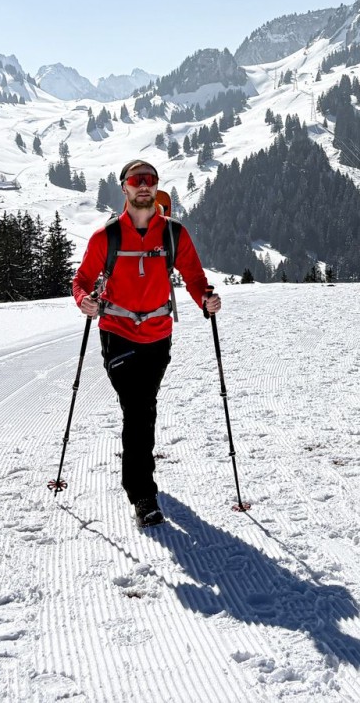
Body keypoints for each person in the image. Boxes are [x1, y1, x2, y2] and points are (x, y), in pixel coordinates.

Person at [73, 158, 221, 525]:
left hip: (158, 335)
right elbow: (82, 280)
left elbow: (194, 276)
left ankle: (139, 478)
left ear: (157, 188)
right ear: (123, 187)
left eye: (151, 180)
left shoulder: (173, 234)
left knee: (143, 407)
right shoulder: (105, 237)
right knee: (138, 409)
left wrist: (205, 299)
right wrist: (84, 300)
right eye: (137, 180)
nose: (144, 186)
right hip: (117, 333)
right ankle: (142, 494)